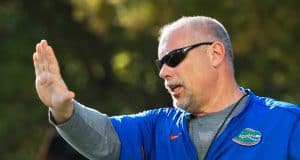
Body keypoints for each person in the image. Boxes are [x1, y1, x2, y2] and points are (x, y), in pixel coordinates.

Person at [33, 16, 300, 160]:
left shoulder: (287, 123)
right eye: (161, 63)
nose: (163, 71)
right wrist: (64, 110)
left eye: (174, 58)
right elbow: (103, 140)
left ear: (216, 54)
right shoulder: (155, 128)